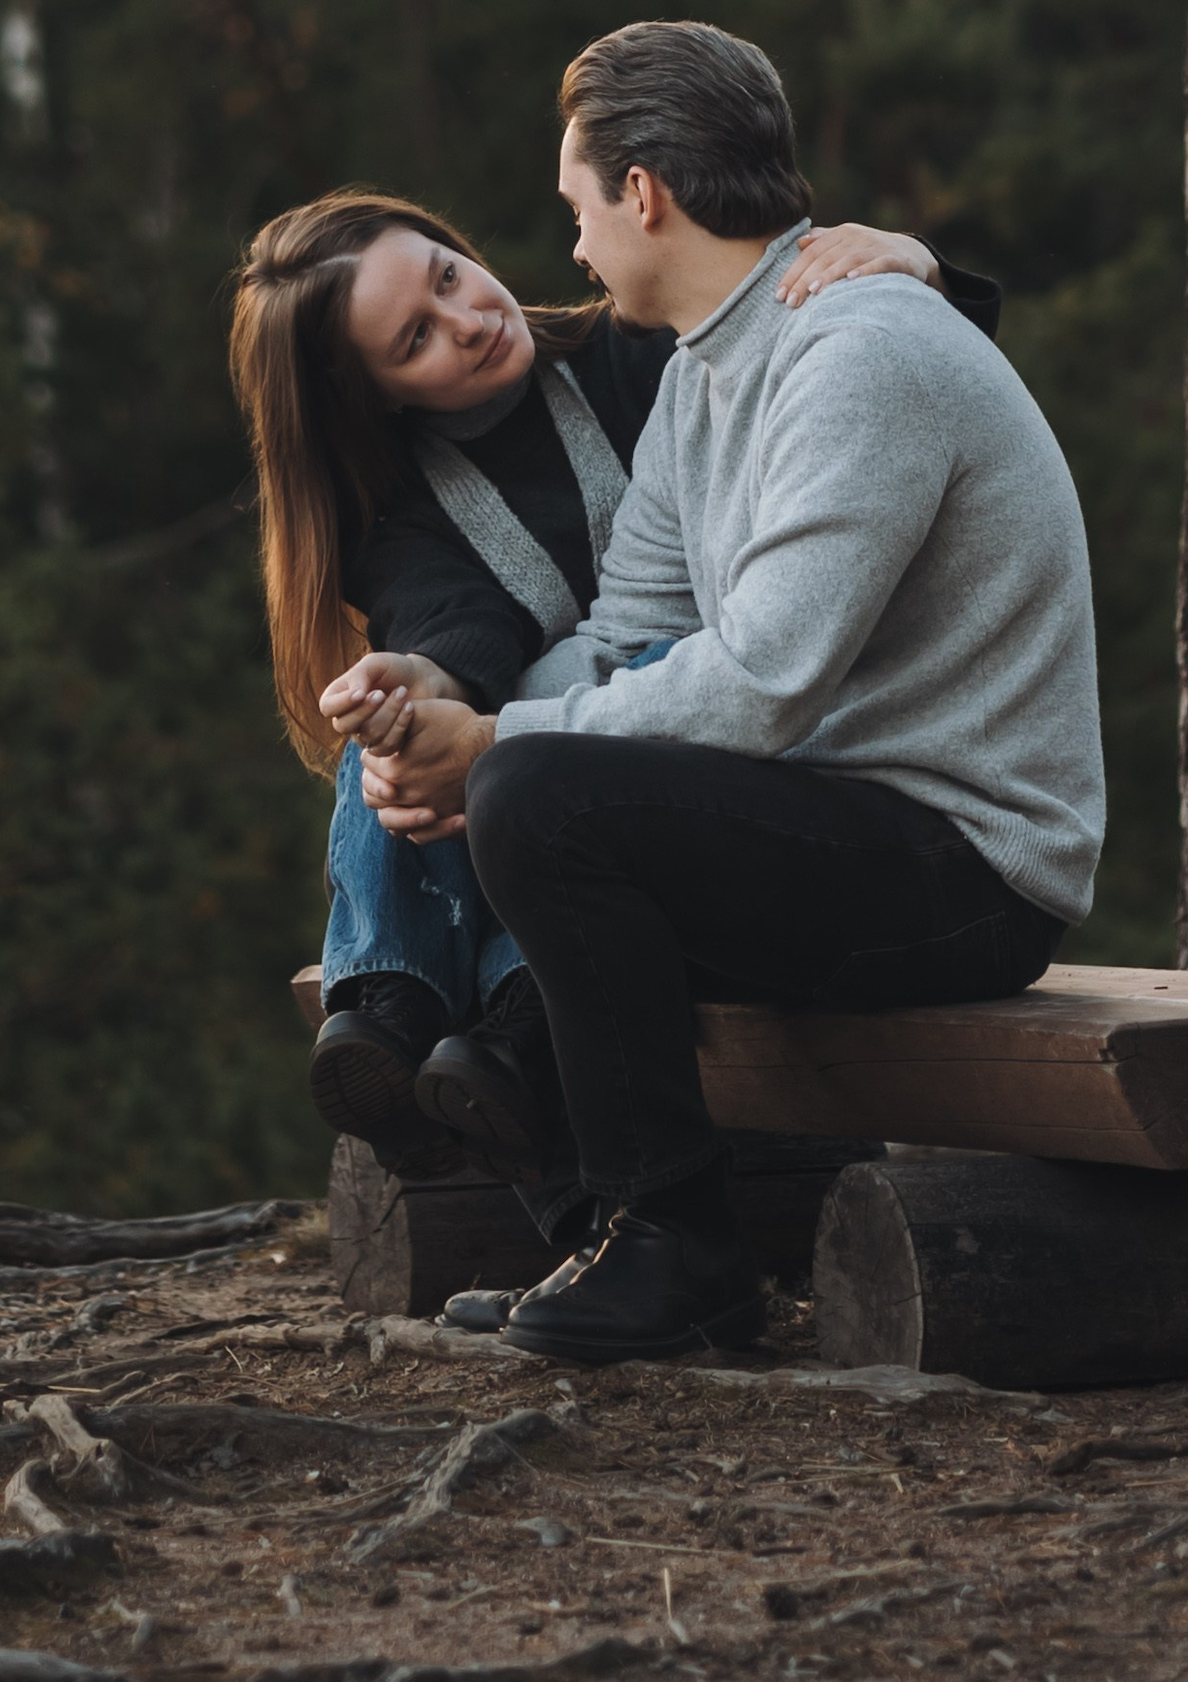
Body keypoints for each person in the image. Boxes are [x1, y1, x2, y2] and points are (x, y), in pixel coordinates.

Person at [352, 19, 1104, 1366]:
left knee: (533, 787)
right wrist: (445, 739)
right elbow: (631, 625)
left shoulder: (857, 353)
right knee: (493, 792)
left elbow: (764, 678)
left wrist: (504, 747)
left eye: (577, 206)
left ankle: (676, 1252)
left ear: (641, 194)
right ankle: (606, 1228)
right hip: (830, 829)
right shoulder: (708, 377)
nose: (572, 249)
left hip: (969, 869)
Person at [226, 184, 1005, 1161]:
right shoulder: (399, 518)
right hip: (564, 781)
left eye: (449, 278)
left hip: (733, 750)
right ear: (375, 396)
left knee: (577, 712)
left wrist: (913, 265)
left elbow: (865, 359)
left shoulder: (638, 348)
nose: (469, 321)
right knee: (399, 721)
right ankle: (388, 1006)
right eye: (415, 338)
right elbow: (453, 623)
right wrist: (413, 689)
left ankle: (517, 1009)